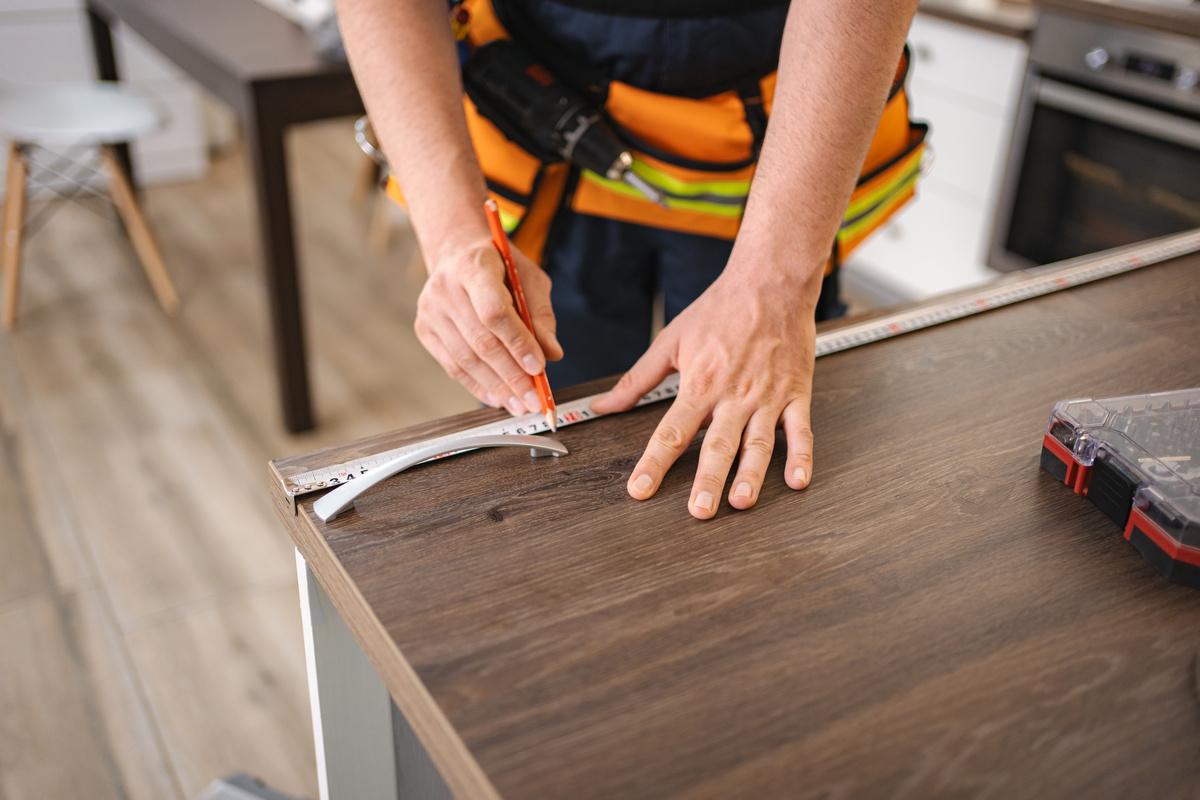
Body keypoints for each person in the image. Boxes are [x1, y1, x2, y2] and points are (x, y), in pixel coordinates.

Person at [338, 0, 922, 519]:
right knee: (555, 459)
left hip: (783, 154)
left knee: (761, 452)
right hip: (542, 123)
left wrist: (775, 286)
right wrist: (451, 232)